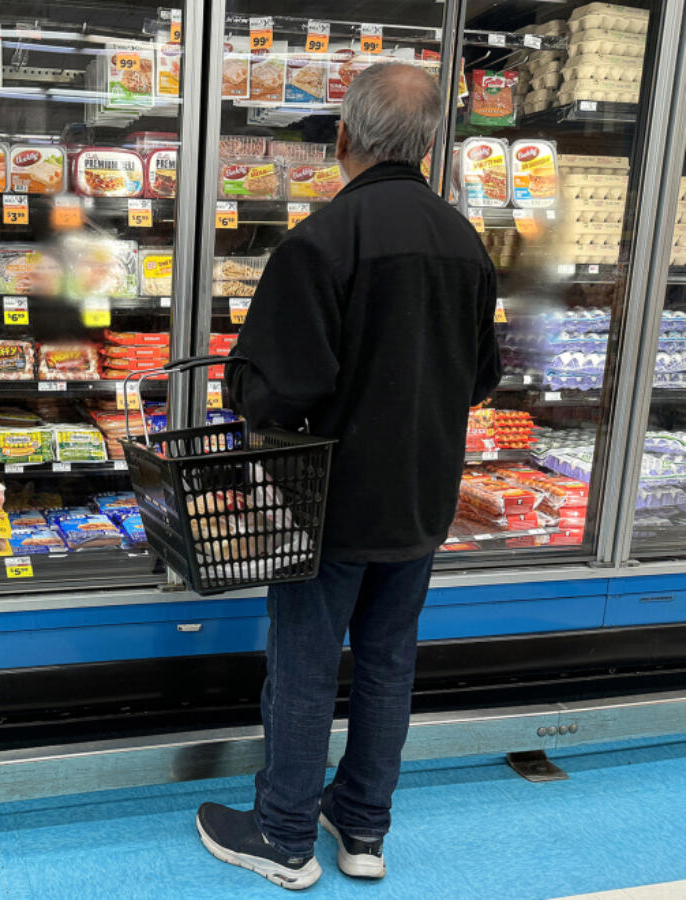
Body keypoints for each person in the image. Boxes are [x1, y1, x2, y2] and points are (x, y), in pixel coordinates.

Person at [196, 62, 502, 890]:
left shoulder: (321, 240)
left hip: (325, 500)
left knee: (303, 659)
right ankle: (363, 826)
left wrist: (239, 379)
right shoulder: (464, 243)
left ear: (342, 138)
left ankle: (284, 832)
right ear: (432, 144)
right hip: (420, 496)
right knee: (388, 661)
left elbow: (280, 389)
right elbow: (480, 378)